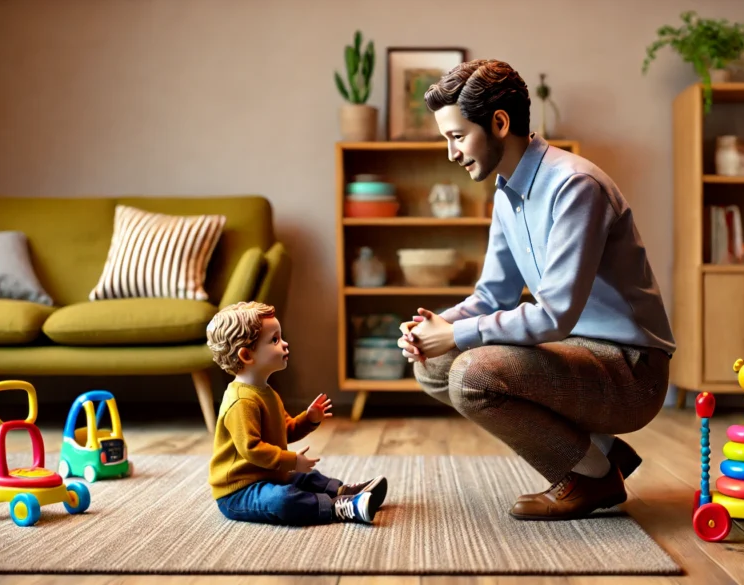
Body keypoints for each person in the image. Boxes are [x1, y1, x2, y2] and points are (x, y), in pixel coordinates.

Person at [397, 59, 675, 521]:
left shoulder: (574, 185)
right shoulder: (507, 191)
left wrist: (460, 335)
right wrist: (439, 326)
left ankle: (593, 475)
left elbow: (554, 316)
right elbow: (492, 296)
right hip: (578, 351)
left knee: (472, 376)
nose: (450, 153)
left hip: (632, 371)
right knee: (435, 365)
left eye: (457, 136)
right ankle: (601, 453)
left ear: (499, 123)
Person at [207, 301, 387, 525]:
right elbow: (251, 449)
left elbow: (285, 431)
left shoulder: (266, 391)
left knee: (307, 477)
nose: (284, 344)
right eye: (274, 340)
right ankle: (337, 508)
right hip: (239, 491)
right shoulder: (241, 401)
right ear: (246, 355)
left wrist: (308, 419)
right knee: (282, 499)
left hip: (268, 475)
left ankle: (343, 492)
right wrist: (291, 460)